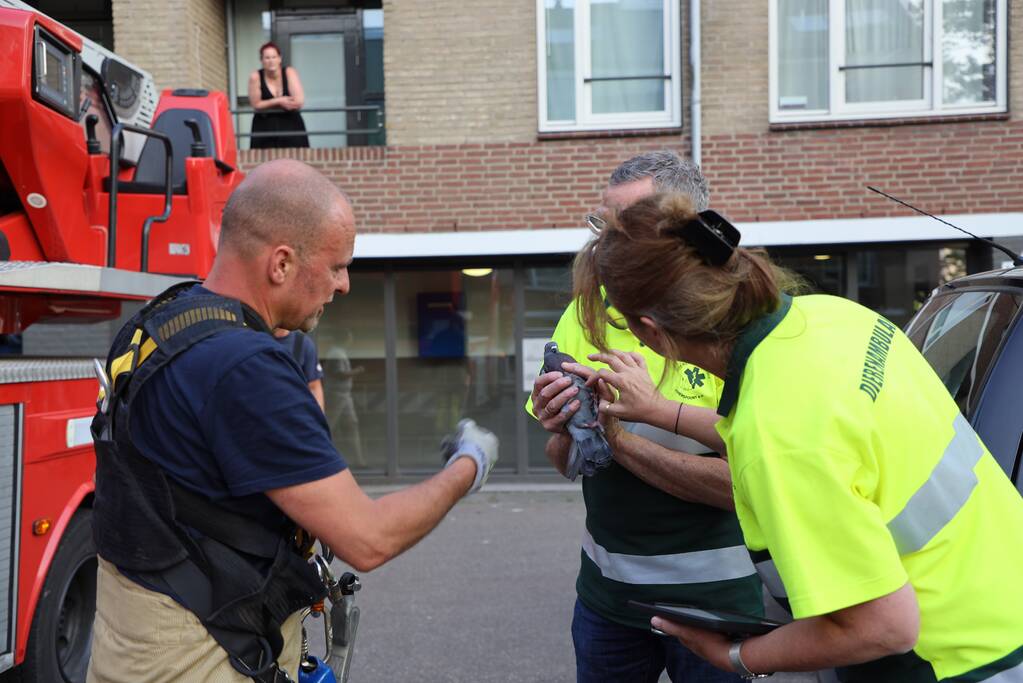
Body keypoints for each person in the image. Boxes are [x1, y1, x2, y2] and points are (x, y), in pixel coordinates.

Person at [571, 192, 1023, 682]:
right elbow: (820, 432)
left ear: (648, 330)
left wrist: (737, 658)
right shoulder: (832, 317)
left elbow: (882, 627)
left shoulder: (779, 430)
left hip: (961, 663)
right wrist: (660, 411)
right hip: (1004, 608)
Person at [87, 159, 498, 682]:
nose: (345, 284)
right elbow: (367, 539)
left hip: (131, 641)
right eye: (336, 266)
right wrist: (469, 464)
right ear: (280, 264)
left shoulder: (158, 322)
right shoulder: (247, 367)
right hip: (201, 658)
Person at [528, 151, 760, 683]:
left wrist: (621, 436)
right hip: (607, 602)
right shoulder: (587, 311)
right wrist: (565, 426)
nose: (606, 247)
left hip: (716, 603)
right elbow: (565, 463)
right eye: (603, 225)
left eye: (629, 228)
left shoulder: (739, 326)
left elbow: (744, 485)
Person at [248, 42, 309, 149]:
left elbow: (299, 101)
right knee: (264, 163)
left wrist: (267, 104)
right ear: (261, 60)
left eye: (274, 57)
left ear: (279, 59)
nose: (271, 61)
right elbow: (256, 104)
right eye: (267, 58)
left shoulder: (289, 72)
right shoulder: (255, 77)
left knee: (296, 161)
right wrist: (279, 101)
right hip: (264, 127)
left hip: (291, 125)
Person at [274, 328, 325, 410]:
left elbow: (314, 387)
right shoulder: (255, 339)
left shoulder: (301, 343)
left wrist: (318, 418)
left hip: (293, 412)